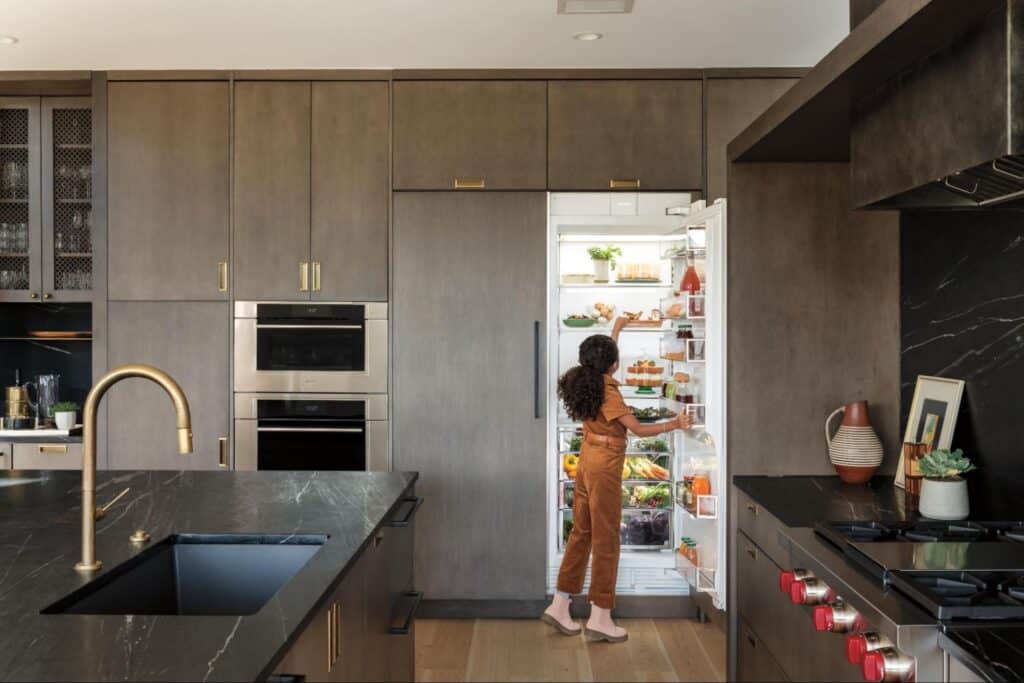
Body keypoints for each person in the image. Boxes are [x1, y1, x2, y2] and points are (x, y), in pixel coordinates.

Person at [541, 316, 692, 643]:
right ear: (612, 364)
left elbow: (604, 360)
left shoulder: (588, 379)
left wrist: (617, 329)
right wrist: (675, 424)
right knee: (607, 538)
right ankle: (600, 616)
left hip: (586, 459)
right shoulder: (609, 393)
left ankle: (560, 604)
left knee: (581, 532)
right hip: (605, 465)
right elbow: (638, 429)